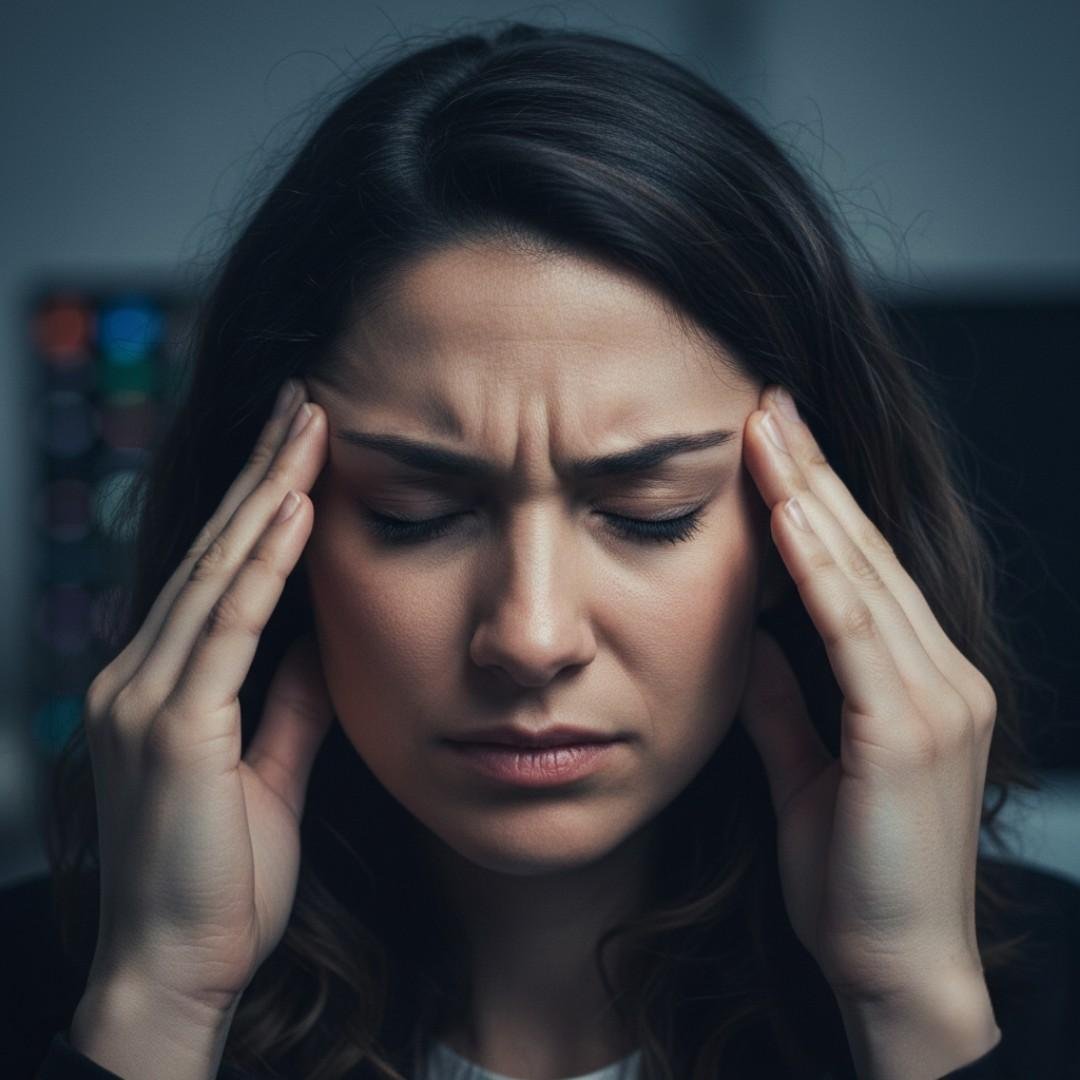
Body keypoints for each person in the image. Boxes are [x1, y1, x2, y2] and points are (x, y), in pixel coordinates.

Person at [7, 19, 1078, 1080]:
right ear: (264, 534)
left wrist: (911, 1004)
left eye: (650, 510)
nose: (530, 637)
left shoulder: (1027, 1008)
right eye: (414, 511)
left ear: (805, 535)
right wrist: (161, 999)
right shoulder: (65, 997)